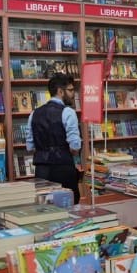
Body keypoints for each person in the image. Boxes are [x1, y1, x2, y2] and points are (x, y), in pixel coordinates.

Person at [27, 73, 82, 203]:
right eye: (70, 90)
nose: (73, 94)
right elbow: (75, 147)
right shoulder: (68, 112)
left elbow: (30, 147)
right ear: (60, 91)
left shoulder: (34, 113)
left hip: (41, 170)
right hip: (63, 168)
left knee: (44, 208)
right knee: (68, 206)